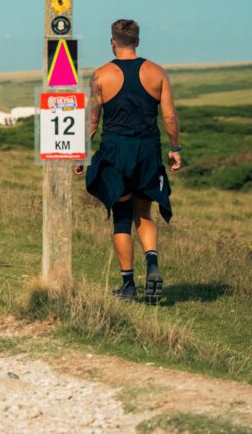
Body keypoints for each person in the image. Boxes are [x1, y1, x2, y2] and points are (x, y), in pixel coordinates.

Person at [78, 19, 182, 304]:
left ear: (113, 42)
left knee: (122, 217)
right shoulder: (157, 72)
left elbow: (93, 121)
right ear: (138, 40)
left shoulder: (101, 76)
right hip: (147, 150)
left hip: (115, 151)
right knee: (144, 214)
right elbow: (170, 117)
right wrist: (175, 148)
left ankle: (128, 285)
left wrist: (81, 153)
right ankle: (152, 265)